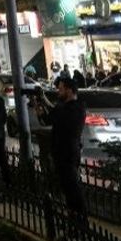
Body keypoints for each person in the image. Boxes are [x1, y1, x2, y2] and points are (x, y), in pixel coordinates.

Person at [37, 76, 86, 225]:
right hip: (63, 152)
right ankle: (74, 218)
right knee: (67, 187)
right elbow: (50, 117)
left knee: (72, 188)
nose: (58, 92)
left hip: (67, 153)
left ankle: (81, 220)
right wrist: (41, 103)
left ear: (69, 90)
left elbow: (54, 116)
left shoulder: (73, 108)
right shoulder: (69, 107)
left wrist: (43, 107)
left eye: (61, 89)